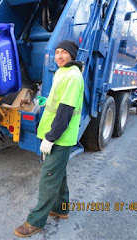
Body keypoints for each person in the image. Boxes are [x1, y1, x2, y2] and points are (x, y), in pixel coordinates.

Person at [14, 39, 84, 237]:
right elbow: (59, 101)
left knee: (48, 178)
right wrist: (47, 101)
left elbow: (66, 111)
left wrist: (51, 138)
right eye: (57, 52)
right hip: (57, 135)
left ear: (72, 55)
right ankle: (61, 209)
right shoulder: (63, 72)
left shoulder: (73, 76)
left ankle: (35, 221)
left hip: (60, 137)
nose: (59, 56)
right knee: (58, 174)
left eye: (64, 52)